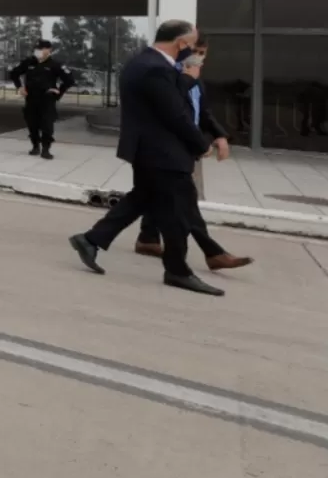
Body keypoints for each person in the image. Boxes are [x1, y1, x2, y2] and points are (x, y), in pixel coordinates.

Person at [68, 20, 224, 296]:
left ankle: (91, 240)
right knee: (178, 212)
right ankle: (178, 271)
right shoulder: (155, 68)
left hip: (149, 149)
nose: (193, 52)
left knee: (141, 198)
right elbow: (175, 113)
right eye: (191, 46)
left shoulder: (143, 62)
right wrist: (201, 144)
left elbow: (168, 100)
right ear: (181, 43)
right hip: (162, 151)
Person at [129, 37, 252, 269]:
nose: (198, 57)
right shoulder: (166, 74)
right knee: (185, 201)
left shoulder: (195, 80)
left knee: (153, 195)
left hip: (179, 149)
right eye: (195, 51)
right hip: (162, 149)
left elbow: (203, 112)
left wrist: (220, 136)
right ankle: (212, 253)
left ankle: (146, 237)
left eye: (203, 53)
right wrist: (200, 143)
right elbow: (171, 110)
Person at [8, 39, 75, 159]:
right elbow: (14, 73)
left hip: (47, 99)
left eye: (41, 49)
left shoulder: (55, 65)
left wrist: (58, 93)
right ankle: (35, 146)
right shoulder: (29, 62)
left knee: (47, 125)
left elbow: (69, 80)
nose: (38, 51)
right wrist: (20, 87)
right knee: (32, 124)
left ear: (49, 50)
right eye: (37, 49)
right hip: (31, 98)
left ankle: (46, 149)